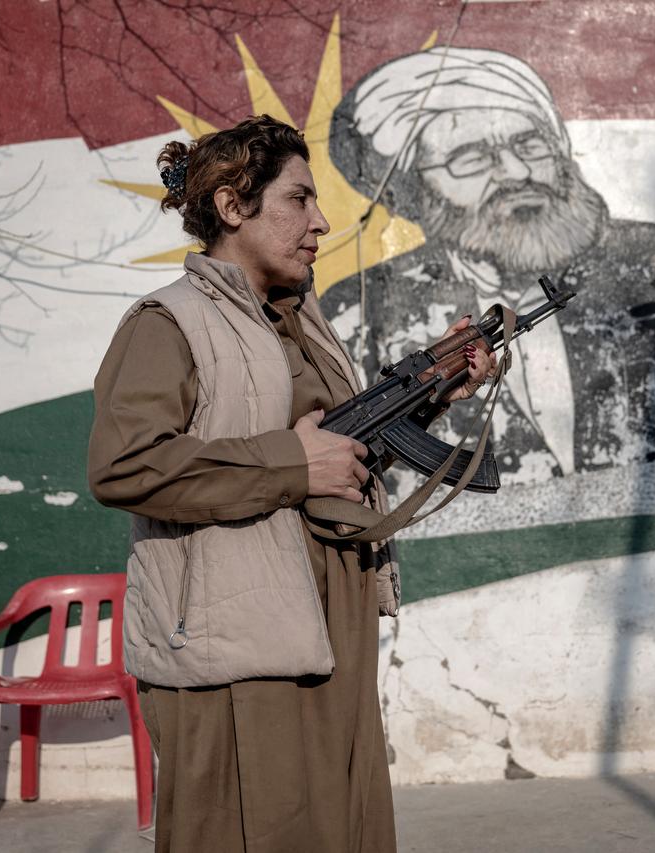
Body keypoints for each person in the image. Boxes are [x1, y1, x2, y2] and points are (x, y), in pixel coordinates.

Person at [87, 115, 492, 852]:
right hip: (234, 653)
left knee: (339, 830)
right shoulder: (167, 324)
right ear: (235, 206)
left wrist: (430, 390)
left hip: (331, 626)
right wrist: (290, 465)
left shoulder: (302, 321)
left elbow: (337, 456)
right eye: (299, 199)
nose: (321, 221)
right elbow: (124, 464)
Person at [324, 48, 655, 523]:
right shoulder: (358, 308)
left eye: (530, 145)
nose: (517, 172)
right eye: (470, 159)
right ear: (409, 190)